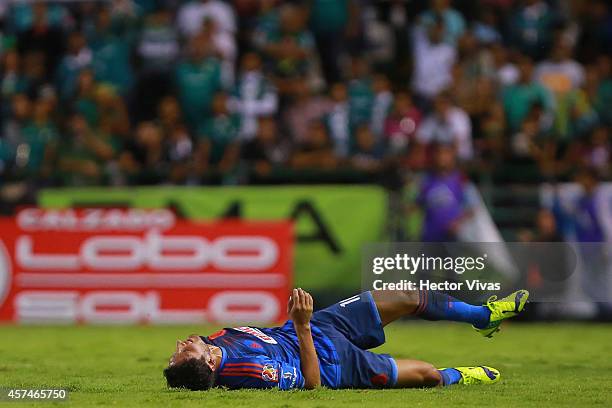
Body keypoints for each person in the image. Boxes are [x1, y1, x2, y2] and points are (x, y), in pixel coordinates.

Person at [164, 287, 529, 391]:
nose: (180, 346)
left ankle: (483, 316)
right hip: (331, 363)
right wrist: (302, 326)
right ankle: (461, 376)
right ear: (210, 363)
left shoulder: (212, 340)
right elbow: (312, 383)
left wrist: (302, 323)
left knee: (406, 296)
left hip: (315, 327)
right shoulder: (250, 371)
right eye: (184, 353)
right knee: (428, 375)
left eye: (177, 353)